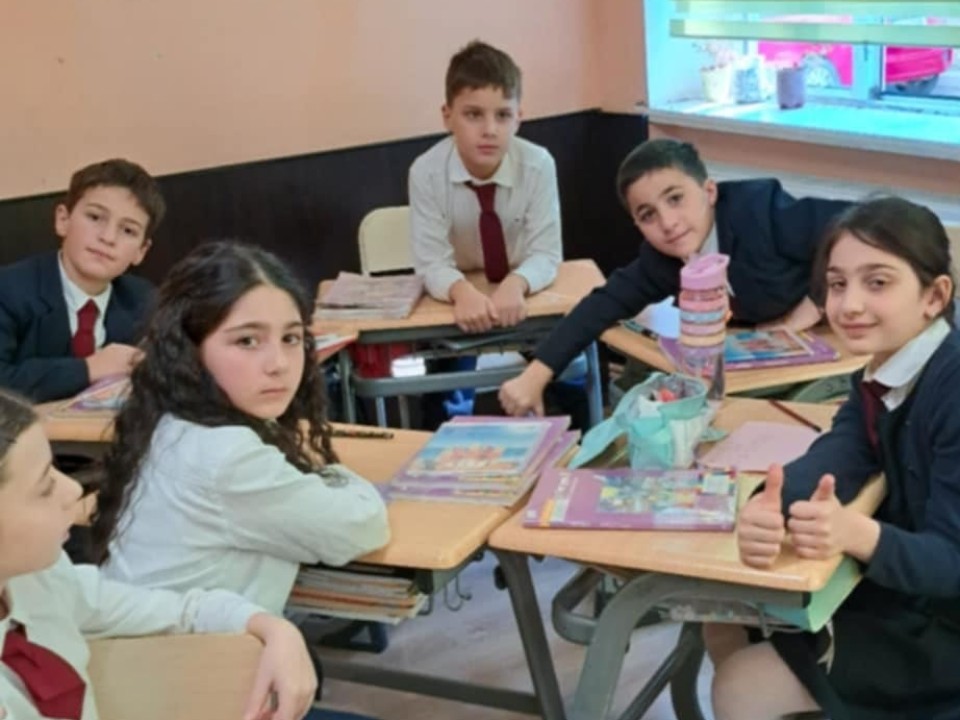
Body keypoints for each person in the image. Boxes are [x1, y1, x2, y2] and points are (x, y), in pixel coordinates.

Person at [710, 197, 960, 720]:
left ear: (935, 296)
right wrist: (768, 505)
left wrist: (858, 535)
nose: (848, 305)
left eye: (877, 282)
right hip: (910, 590)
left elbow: (952, 560)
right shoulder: (884, 371)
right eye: (837, 283)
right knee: (721, 615)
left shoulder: (951, 386)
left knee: (741, 685)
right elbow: (840, 451)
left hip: (943, 625)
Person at [91, 241, 390, 615]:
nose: (279, 364)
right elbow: (362, 528)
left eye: (291, 338)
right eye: (247, 341)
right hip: (185, 650)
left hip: (159, 639)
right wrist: (332, 473)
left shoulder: (171, 418)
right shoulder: (224, 455)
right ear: (190, 349)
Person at [0, 388, 317, 720]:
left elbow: (181, 611)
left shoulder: (41, 581)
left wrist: (273, 628)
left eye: (56, 469)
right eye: (44, 487)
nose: (73, 489)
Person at [499, 138, 850, 416]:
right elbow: (601, 305)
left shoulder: (759, 209)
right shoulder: (660, 260)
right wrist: (535, 375)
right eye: (648, 215)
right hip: (765, 360)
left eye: (676, 199)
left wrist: (814, 304)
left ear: (709, 192)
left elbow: (853, 227)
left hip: (839, 345)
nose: (667, 223)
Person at [409, 39, 562, 334]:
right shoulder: (425, 172)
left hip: (524, 295)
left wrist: (517, 283)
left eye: (503, 115)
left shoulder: (538, 164)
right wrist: (461, 292)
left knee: (559, 357)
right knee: (453, 359)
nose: (490, 130)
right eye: (473, 115)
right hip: (458, 301)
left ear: (518, 118)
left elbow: (546, 253)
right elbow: (431, 263)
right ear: (447, 117)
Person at [0, 158, 163, 402]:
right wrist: (89, 368)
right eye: (95, 217)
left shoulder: (144, 300)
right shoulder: (8, 289)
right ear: (63, 220)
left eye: (128, 230)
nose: (108, 237)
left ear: (141, 251)